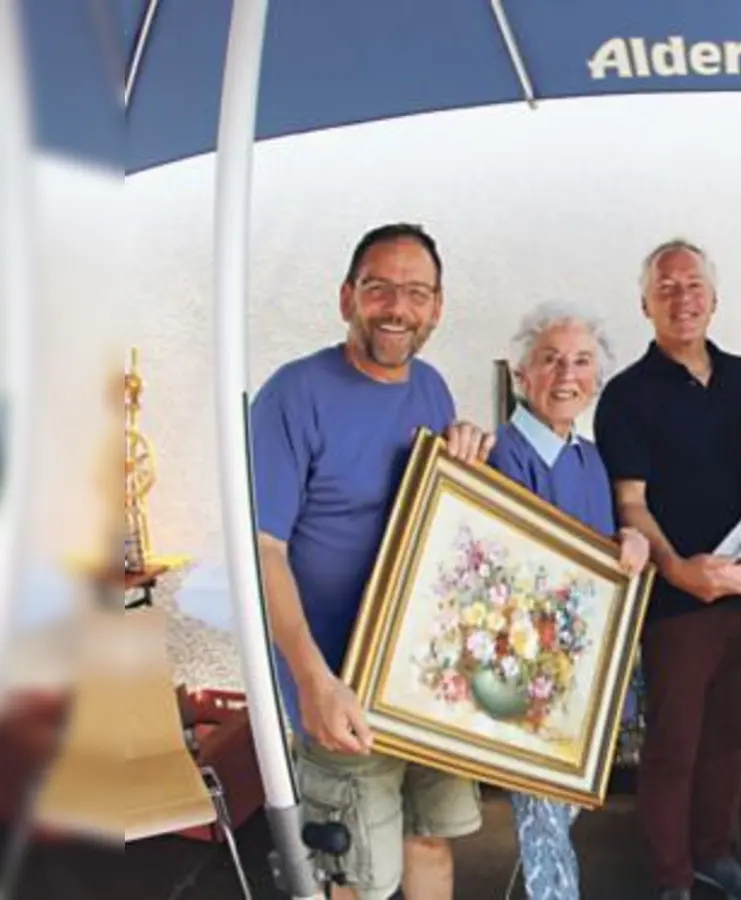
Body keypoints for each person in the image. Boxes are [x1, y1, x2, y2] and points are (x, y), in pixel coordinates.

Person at [250, 223, 496, 900]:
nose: (397, 307)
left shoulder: (433, 390)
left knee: (429, 839)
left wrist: (466, 467)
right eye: (378, 287)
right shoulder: (291, 396)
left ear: (437, 308)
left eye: (416, 292)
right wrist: (313, 680)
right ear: (346, 297)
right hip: (341, 688)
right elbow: (263, 551)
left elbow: (438, 526)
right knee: (356, 876)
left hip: (426, 685)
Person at [593, 239, 741, 900]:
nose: (681, 298)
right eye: (665, 288)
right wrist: (677, 570)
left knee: (730, 740)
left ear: (715, 298)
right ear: (645, 304)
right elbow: (629, 503)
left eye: (692, 284)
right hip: (676, 603)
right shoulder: (624, 395)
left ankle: (713, 854)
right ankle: (671, 877)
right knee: (672, 747)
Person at [484, 302, 650, 899]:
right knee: (544, 821)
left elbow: (594, 554)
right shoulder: (506, 455)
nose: (566, 375)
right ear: (523, 375)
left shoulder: (586, 455)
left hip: (582, 662)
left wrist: (626, 541)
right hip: (531, 670)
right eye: (550, 360)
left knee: (559, 813)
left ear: (597, 380)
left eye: (581, 362)